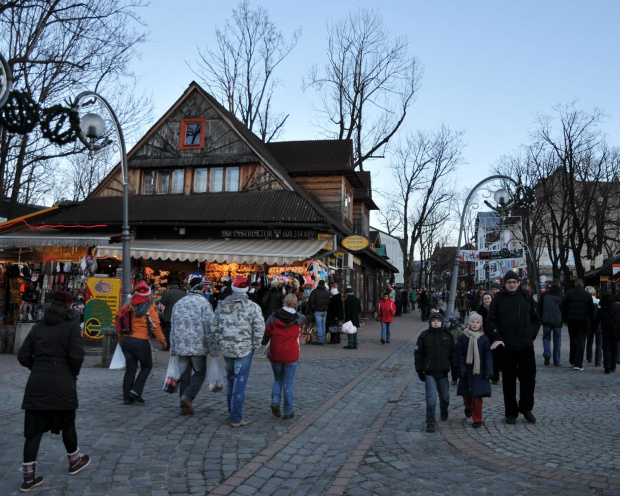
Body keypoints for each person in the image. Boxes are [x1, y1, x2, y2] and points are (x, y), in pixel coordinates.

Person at [17, 291, 90, 492]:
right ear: (68, 306)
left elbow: (23, 356)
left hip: (37, 383)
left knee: (33, 431)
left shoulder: (38, 326)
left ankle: (28, 477)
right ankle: (74, 461)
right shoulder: (71, 326)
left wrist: (39, 367)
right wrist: (70, 374)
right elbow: (77, 356)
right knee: (67, 423)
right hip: (62, 382)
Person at [488, 270, 541, 425]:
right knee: (509, 382)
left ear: (518, 283)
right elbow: (491, 321)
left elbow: (536, 319)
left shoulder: (527, 298)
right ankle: (511, 412)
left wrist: (531, 335)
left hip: (525, 346)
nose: (512, 284)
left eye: (514, 282)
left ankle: (526, 408)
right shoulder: (498, 300)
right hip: (507, 347)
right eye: (509, 282)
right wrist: (497, 338)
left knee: (528, 380)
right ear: (505, 283)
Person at [213, 276, 264, 428]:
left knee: (231, 380)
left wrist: (219, 342)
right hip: (244, 348)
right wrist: (255, 345)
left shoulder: (221, 305)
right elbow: (259, 328)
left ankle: (232, 411)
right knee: (239, 382)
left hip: (228, 348)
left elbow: (214, 326)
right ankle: (235, 417)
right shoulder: (252, 306)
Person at [169, 274, 219, 416]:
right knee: (199, 373)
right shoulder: (203, 303)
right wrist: (213, 349)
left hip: (181, 346)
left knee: (184, 375)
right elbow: (210, 328)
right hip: (198, 346)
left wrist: (172, 348)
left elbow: (173, 327)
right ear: (202, 288)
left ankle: (183, 404)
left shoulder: (179, 303)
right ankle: (187, 397)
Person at [120, 281, 168, 405]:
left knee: (130, 369)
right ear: (148, 295)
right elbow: (155, 327)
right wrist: (162, 341)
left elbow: (120, 323)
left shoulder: (126, 306)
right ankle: (136, 391)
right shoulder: (151, 308)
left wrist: (121, 340)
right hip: (141, 341)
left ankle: (126, 397)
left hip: (126, 340)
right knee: (146, 367)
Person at [414, 312, 458, 433]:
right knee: (431, 399)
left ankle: (444, 410)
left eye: (438, 321)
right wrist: (419, 370)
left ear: (442, 322)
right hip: (429, 373)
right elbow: (418, 354)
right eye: (434, 321)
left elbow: (453, 355)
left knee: (445, 398)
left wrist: (455, 371)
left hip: (443, 372)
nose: (436, 322)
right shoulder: (424, 336)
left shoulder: (448, 336)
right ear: (430, 322)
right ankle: (430, 422)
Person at [264, 293, 305, 420]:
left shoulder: (273, 316)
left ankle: (275, 401)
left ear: (284, 302)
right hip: (291, 354)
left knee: (278, 379)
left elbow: (267, 333)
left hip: (276, 352)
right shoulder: (299, 318)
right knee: (288, 382)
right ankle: (288, 410)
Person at [456, 312, 493, 428]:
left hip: (479, 371)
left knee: (477, 397)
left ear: (480, 324)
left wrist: (488, 371)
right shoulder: (463, 337)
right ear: (469, 323)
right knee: (466, 394)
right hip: (466, 370)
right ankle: (468, 407)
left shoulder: (484, 338)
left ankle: (477, 419)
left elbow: (488, 355)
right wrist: (461, 369)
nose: (475, 324)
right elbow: (459, 354)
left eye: (477, 322)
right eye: (473, 322)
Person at [562, 279, 594, 371]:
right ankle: (578, 363)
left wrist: (565, 320)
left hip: (572, 321)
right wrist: (591, 322)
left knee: (573, 340)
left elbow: (564, 308)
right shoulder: (587, 295)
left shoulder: (569, 294)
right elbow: (591, 310)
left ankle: (572, 360)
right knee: (581, 341)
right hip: (583, 321)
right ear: (583, 285)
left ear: (575, 285)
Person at [538, 279, 565, 367]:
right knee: (557, 340)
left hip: (546, 320)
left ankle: (547, 353)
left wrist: (541, 317)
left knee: (546, 338)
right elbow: (564, 309)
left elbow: (539, 306)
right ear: (559, 286)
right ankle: (557, 360)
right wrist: (563, 320)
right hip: (557, 321)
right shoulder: (562, 296)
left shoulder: (545, 295)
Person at [478, 290, 500, 383]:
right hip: (483, 336)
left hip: (495, 336)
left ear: (492, 299)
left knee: (495, 357)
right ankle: (486, 374)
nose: (487, 300)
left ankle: (495, 377)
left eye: (488, 298)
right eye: (485, 298)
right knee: (484, 356)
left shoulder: (496, 309)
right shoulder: (480, 310)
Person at [159, 277, 186, 345]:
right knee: (179, 330)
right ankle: (178, 344)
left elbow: (163, 301)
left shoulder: (168, 292)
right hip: (180, 315)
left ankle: (169, 345)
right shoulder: (183, 293)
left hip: (169, 314)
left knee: (169, 330)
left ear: (170, 286)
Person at [594, 295, 617, 374]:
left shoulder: (601, 310)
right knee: (614, 349)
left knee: (606, 349)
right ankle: (613, 366)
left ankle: (607, 366)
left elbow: (596, 321)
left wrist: (593, 329)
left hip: (605, 331)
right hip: (615, 331)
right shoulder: (616, 309)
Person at [308, 279, 330, 345]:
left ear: (318, 284)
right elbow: (328, 302)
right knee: (323, 324)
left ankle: (320, 340)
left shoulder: (315, 291)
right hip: (324, 310)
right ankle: (322, 338)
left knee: (319, 325)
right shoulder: (327, 292)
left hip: (317, 310)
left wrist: (312, 308)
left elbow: (311, 301)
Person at [585, 286, 602, 367]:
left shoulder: (586, 301)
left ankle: (589, 357)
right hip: (598, 325)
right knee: (599, 343)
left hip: (589, 324)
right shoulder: (598, 301)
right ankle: (598, 360)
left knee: (589, 342)